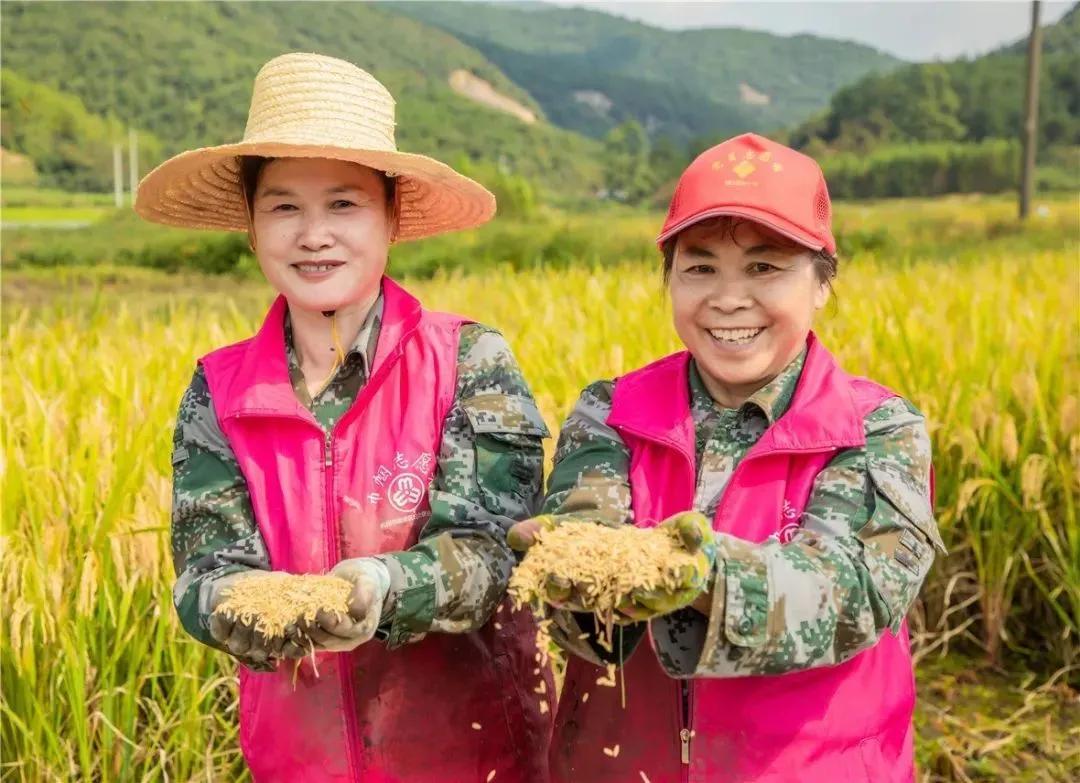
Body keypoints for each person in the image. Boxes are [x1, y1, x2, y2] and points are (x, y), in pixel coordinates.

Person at [137, 52, 552, 782]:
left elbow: (494, 551)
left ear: (393, 215)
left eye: (344, 204)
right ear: (251, 224)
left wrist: (382, 588)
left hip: (472, 757)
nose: (313, 234)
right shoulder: (219, 389)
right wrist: (238, 603)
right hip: (299, 761)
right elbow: (204, 569)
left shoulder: (468, 360)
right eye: (284, 206)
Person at [510, 133, 946, 782]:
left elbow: (855, 592)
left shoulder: (874, 428)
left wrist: (700, 573)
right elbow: (587, 578)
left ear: (822, 281)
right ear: (671, 278)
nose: (728, 298)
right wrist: (569, 570)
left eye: (765, 267)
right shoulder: (610, 413)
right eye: (700, 266)